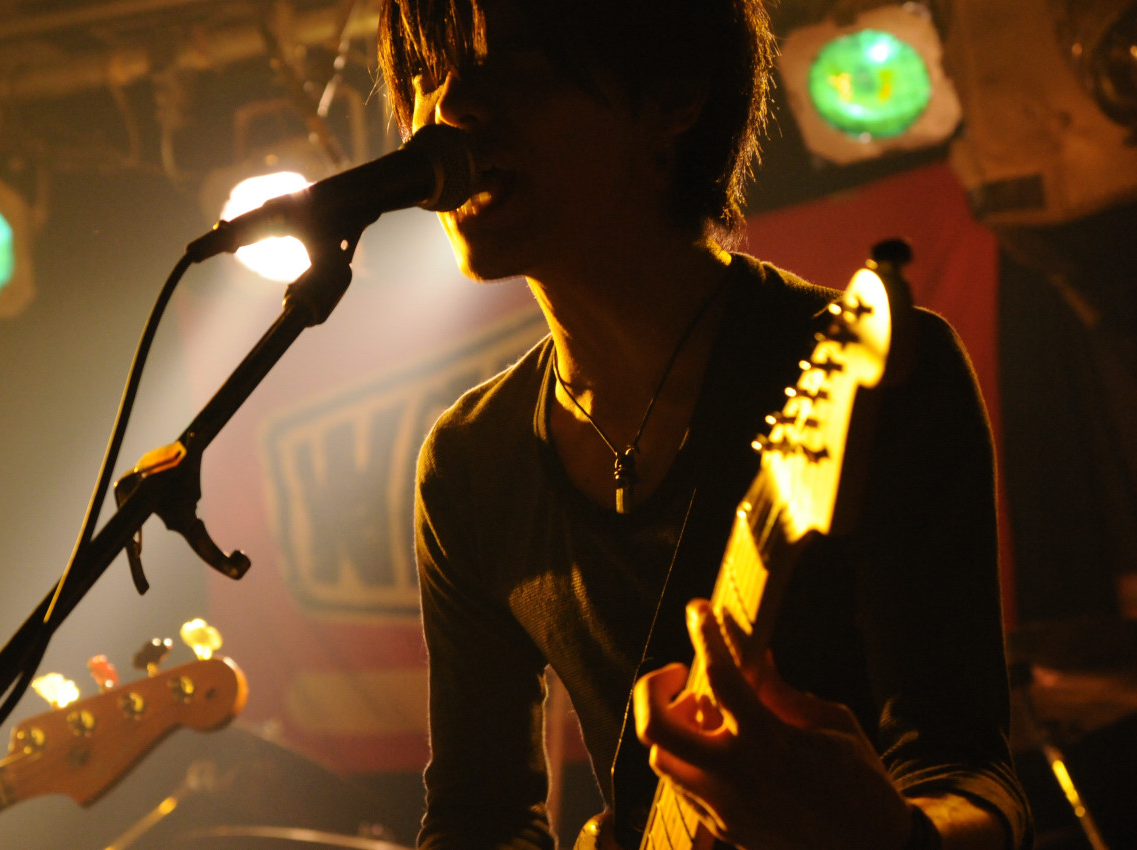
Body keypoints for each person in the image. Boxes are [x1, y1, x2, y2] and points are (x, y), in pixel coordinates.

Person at [377, 0, 1032, 848]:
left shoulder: (872, 375)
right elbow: (477, 815)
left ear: (673, 96)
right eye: (426, 75)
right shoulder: (471, 460)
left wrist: (890, 837)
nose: (448, 109)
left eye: (515, 67)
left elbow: (969, 773)